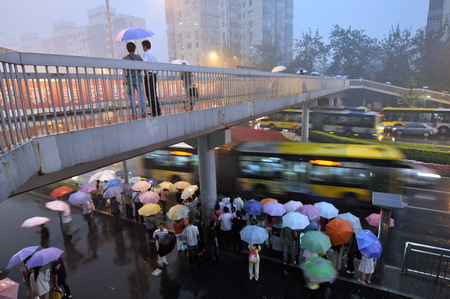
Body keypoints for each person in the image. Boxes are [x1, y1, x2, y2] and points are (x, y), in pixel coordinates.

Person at [123, 42, 146, 119]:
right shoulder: (138, 58)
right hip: (138, 79)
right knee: (141, 97)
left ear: (127, 49)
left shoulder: (125, 58)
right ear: (135, 48)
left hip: (129, 81)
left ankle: (134, 113)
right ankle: (143, 112)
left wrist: (125, 79)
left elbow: (124, 71)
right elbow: (142, 68)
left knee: (131, 98)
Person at [142, 40, 161, 116]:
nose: (143, 48)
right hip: (154, 75)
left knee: (149, 94)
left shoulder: (146, 53)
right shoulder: (154, 54)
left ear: (145, 46)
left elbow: (145, 64)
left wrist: (146, 73)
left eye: (143, 46)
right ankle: (157, 110)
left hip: (149, 75)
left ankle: (153, 111)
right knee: (154, 93)